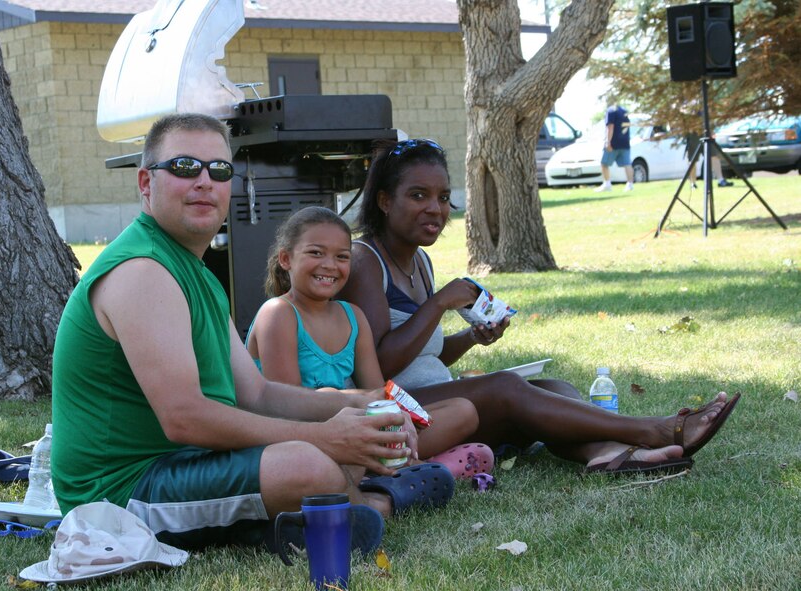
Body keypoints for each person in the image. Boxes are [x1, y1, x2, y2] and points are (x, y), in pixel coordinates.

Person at [50, 114, 446, 553]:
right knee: (307, 464)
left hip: (187, 463)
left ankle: (292, 517)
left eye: (219, 170)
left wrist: (362, 402)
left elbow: (256, 394)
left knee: (332, 448)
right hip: (118, 494)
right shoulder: (143, 271)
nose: (205, 181)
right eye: (184, 167)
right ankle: (374, 504)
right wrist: (324, 437)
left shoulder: (193, 273)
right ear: (146, 182)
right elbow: (184, 418)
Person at [338, 137, 741, 475]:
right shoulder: (364, 261)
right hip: (402, 413)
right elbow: (379, 366)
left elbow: (427, 352)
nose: (436, 209)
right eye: (418, 195)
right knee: (507, 388)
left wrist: (471, 338)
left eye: (443, 197)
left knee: (554, 388)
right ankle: (653, 430)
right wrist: (441, 302)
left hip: (438, 398)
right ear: (385, 201)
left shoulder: (419, 261)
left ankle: (604, 453)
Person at [246, 205, 494, 478]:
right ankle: (414, 468)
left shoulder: (353, 317)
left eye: (341, 256)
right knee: (339, 458)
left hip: (353, 429)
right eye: (316, 253)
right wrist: (364, 413)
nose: (329, 265)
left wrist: (398, 420)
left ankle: (398, 466)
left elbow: (378, 393)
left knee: (462, 411)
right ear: (285, 259)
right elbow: (288, 408)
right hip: (301, 440)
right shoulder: (278, 314)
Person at [595, 104, 634, 192]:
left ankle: (607, 184)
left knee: (604, 164)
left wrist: (608, 142)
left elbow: (610, 127)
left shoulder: (610, 111)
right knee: (627, 164)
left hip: (613, 142)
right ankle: (630, 184)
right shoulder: (624, 110)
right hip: (625, 141)